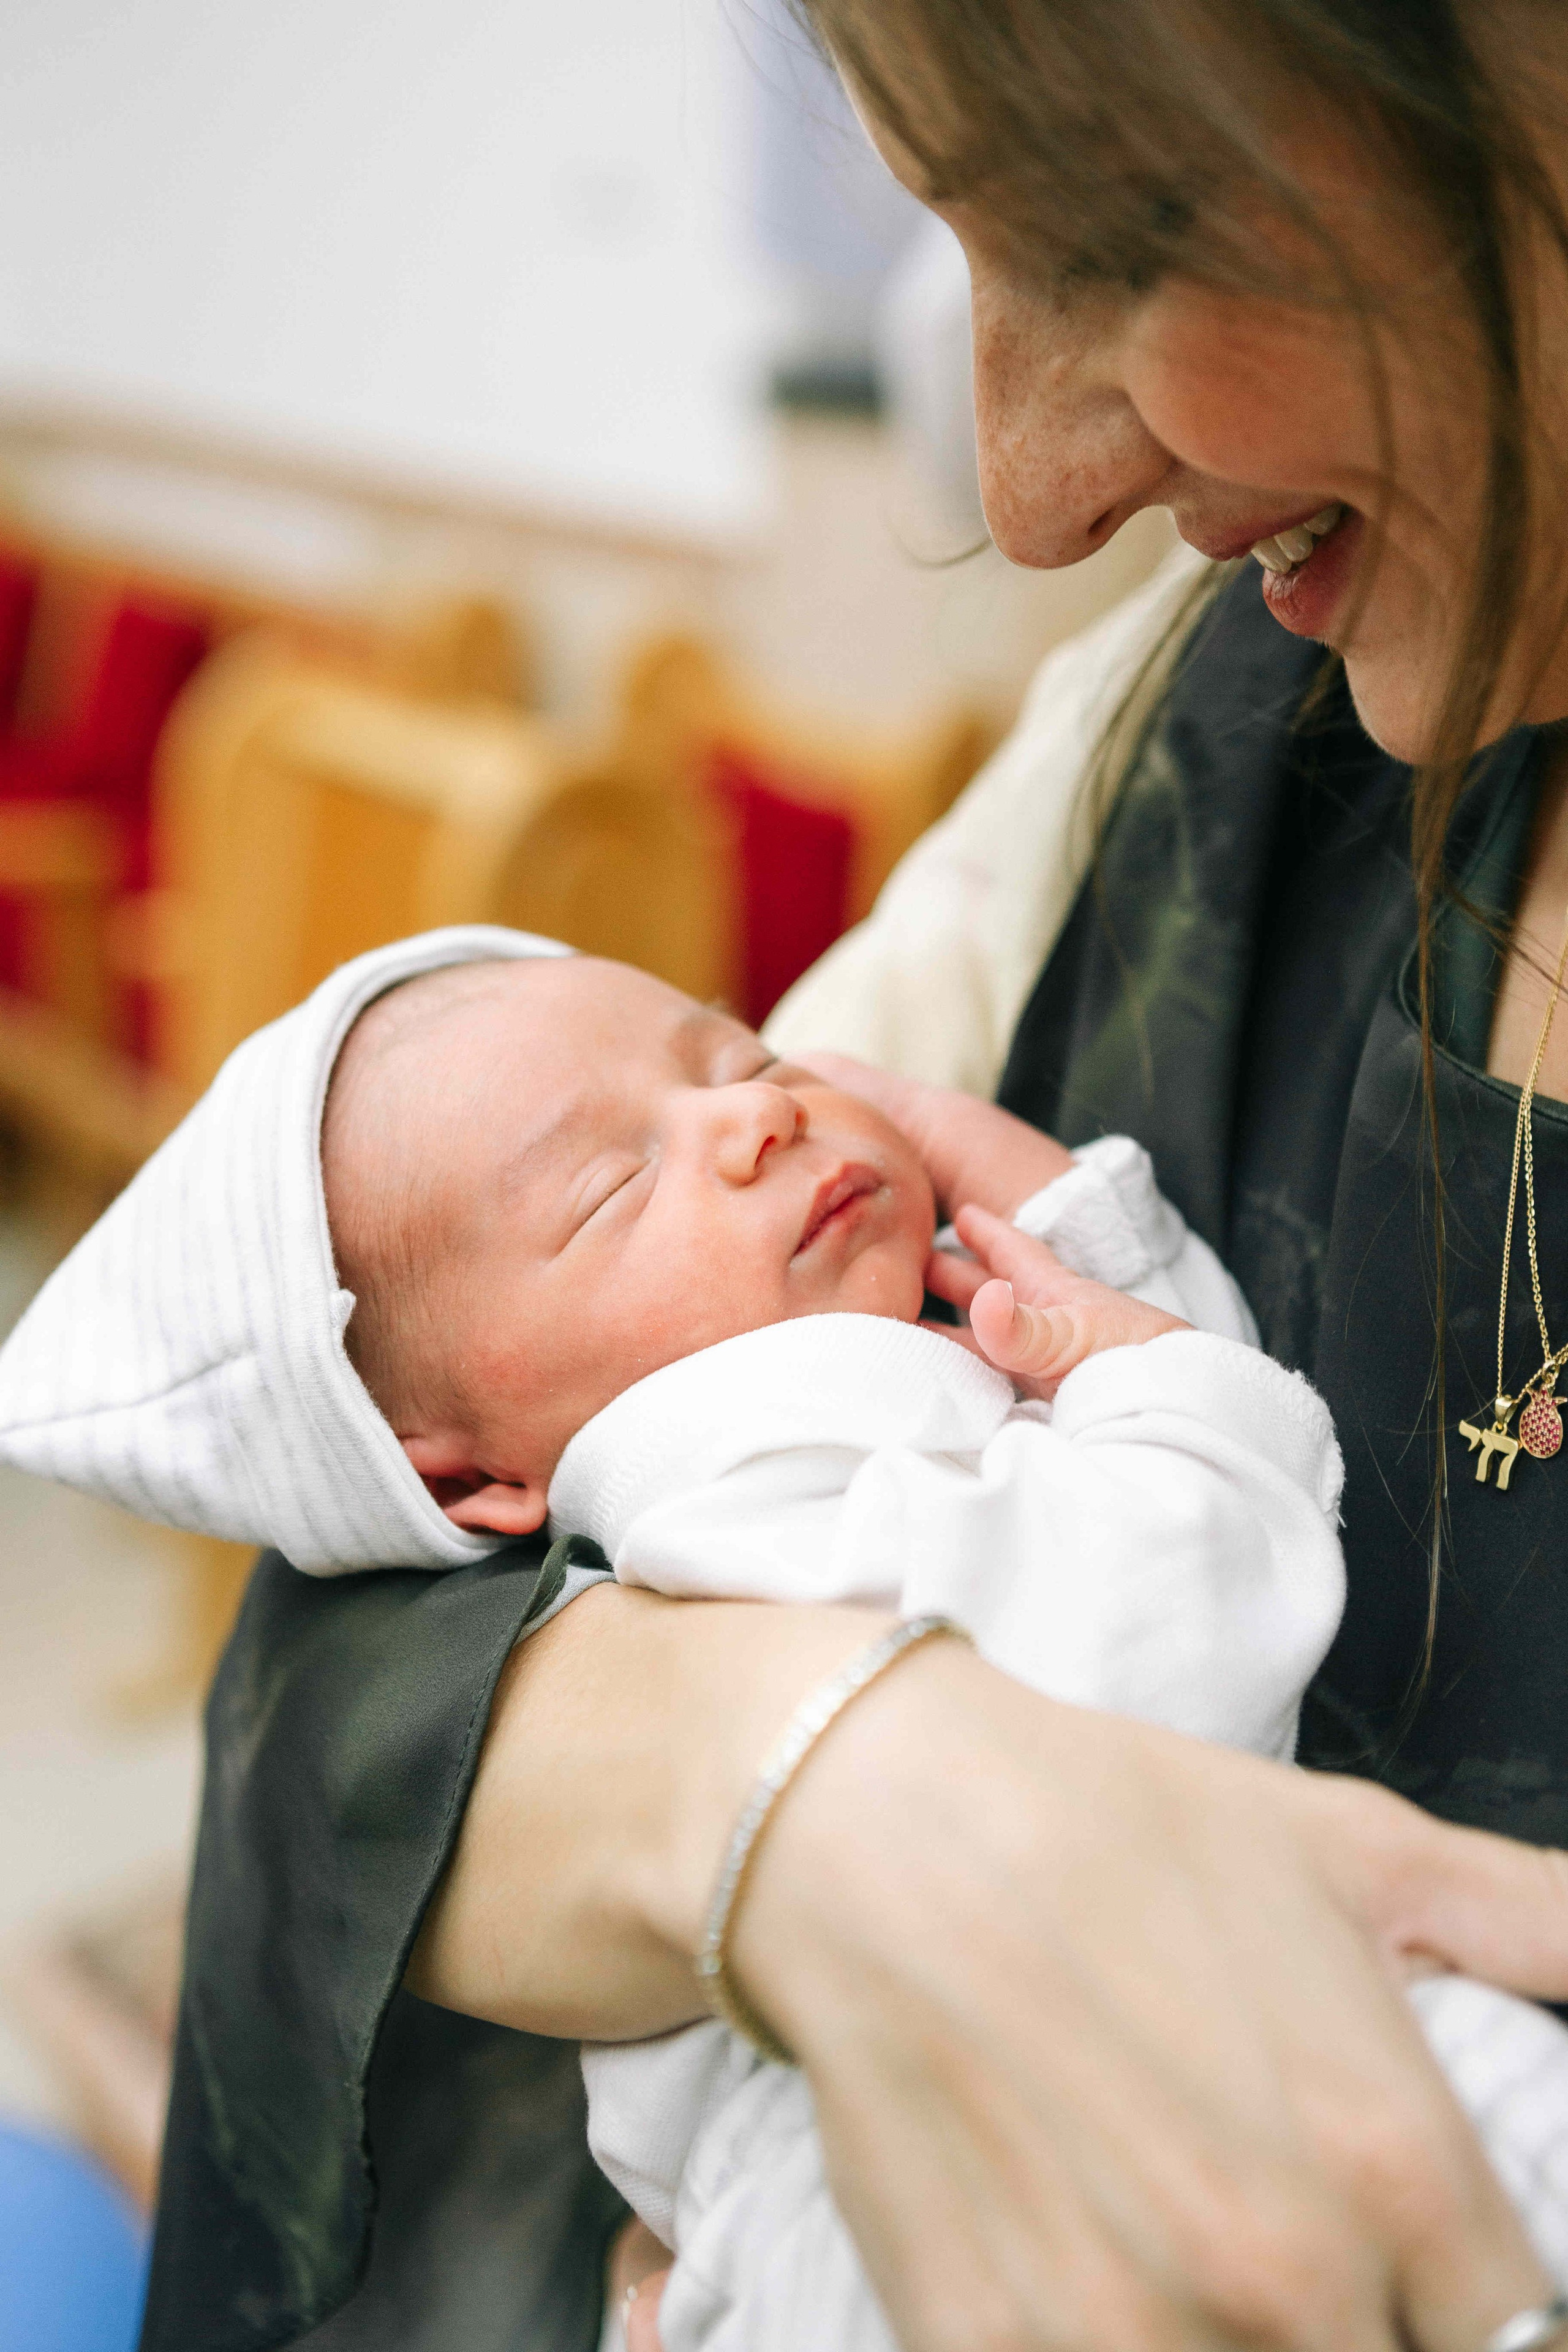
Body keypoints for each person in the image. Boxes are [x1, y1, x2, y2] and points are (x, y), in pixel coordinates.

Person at [85, 4, 1568, 2347]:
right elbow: (340, 1647)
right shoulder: (1184, 744)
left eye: (1117, 216)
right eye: (953, 237)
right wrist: (831, 1807)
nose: (1030, 484)